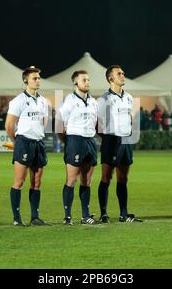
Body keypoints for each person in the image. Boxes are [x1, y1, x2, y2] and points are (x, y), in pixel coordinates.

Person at [97, 65, 142, 223]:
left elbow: (130, 117)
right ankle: (103, 213)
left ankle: (124, 213)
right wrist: (107, 139)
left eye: (123, 73)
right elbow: (98, 122)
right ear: (111, 79)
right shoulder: (104, 99)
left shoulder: (129, 97)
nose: (123, 75)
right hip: (111, 140)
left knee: (123, 178)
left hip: (126, 141)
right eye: (119, 74)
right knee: (106, 178)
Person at [5, 66, 50, 226]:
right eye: (34, 78)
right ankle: (17, 219)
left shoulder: (43, 101)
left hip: (38, 143)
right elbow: (9, 125)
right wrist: (17, 141)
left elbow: (44, 122)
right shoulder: (18, 101)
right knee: (19, 181)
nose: (38, 81)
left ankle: (34, 217)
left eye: (39, 78)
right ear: (26, 81)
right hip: (24, 142)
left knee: (37, 182)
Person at [57, 70, 100, 225]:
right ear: (76, 82)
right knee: (71, 179)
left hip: (90, 141)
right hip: (75, 140)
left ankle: (85, 216)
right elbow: (59, 123)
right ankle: (67, 217)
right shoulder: (69, 100)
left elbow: (96, 124)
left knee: (87, 181)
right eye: (84, 80)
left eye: (88, 79)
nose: (87, 82)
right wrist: (67, 141)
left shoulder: (94, 102)